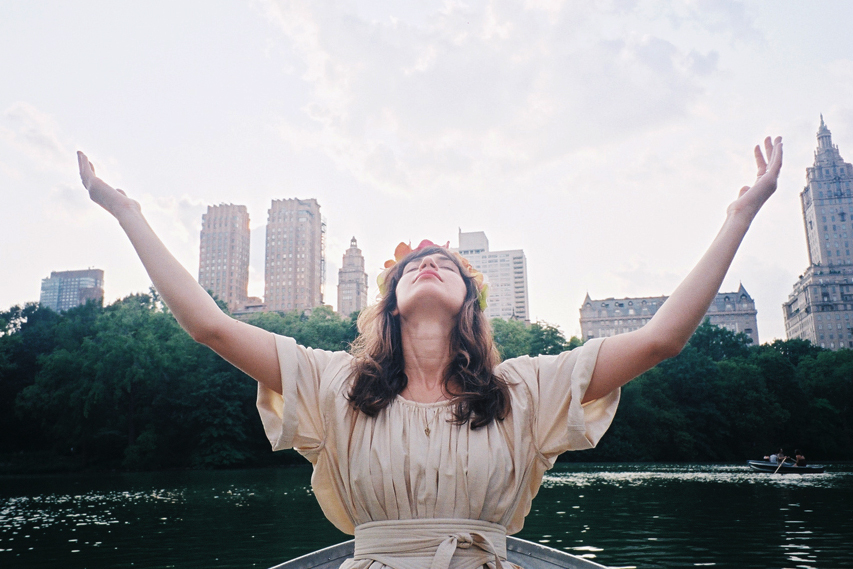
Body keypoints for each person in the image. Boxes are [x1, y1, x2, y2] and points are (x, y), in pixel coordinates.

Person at [76, 135, 782, 569]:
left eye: (445, 261)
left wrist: (737, 216)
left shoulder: (523, 387)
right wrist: (129, 214)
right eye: (415, 262)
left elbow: (662, 337)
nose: (429, 261)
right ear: (387, 298)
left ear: (470, 301)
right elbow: (211, 325)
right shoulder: (337, 384)